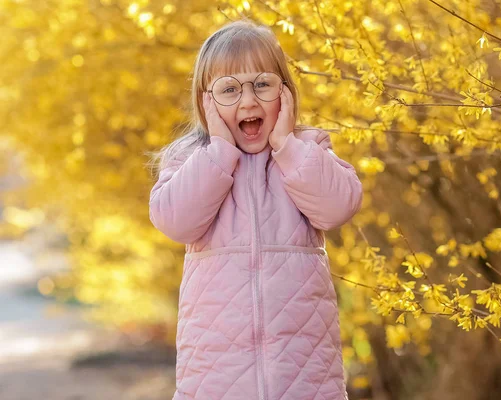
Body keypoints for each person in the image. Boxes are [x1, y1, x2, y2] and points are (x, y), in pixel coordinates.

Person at [148, 18, 363, 400]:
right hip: (216, 379)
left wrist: (288, 145)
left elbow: (338, 206)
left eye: (262, 84)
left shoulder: (307, 150)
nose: (248, 101)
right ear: (206, 102)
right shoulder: (192, 158)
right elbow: (174, 221)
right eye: (229, 90)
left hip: (303, 376)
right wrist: (219, 152)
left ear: (287, 93)